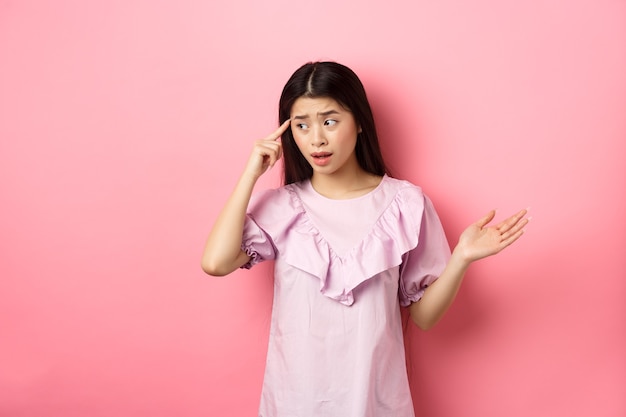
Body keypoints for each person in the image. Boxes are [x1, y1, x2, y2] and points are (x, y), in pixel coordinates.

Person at [202, 61, 529, 417]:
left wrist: (461, 257)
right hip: (295, 403)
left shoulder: (405, 204)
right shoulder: (281, 208)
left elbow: (424, 317)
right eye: (302, 125)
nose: (317, 139)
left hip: (376, 405)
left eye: (329, 121)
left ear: (358, 122)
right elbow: (215, 263)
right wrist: (251, 173)